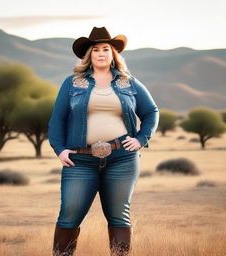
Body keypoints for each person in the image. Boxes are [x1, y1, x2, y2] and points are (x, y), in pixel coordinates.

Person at [48, 26, 159, 256]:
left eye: (106, 49)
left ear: (113, 54)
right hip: (80, 160)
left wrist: (141, 139)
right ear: (89, 55)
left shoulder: (129, 82)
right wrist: (59, 149)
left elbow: (151, 112)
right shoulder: (72, 83)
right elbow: (57, 118)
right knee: (69, 214)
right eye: (96, 49)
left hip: (122, 159)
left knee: (120, 214)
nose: (101, 53)